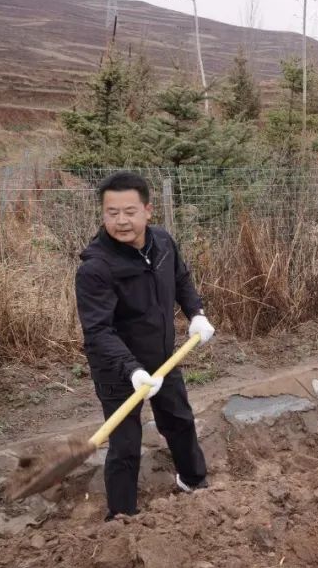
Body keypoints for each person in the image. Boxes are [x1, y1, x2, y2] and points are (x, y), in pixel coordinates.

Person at [75, 171, 215, 520]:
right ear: (103, 213)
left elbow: (182, 279)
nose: (121, 221)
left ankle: (194, 482)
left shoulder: (163, 243)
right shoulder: (96, 268)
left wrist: (196, 312)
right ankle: (122, 518)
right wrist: (132, 370)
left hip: (162, 358)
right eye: (112, 212)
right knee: (124, 445)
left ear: (147, 210)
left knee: (180, 420)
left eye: (129, 211)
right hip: (117, 369)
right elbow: (98, 331)